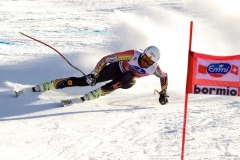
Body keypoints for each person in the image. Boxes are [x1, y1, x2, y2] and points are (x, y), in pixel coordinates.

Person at [17, 46, 169, 105]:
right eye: (144, 58)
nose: (144, 62)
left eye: (148, 61)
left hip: (128, 80)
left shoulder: (154, 68)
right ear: (142, 54)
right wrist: (94, 74)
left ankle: (97, 94)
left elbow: (164, 76)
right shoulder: (133, 54)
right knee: (86, 81)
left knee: (128, 76)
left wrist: (163, 93)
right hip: (116, 68)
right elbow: (107, 59)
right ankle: (52, 84)